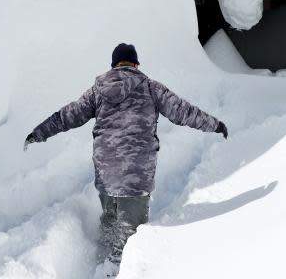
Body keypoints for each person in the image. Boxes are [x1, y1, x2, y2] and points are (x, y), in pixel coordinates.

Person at [24, 43, 228, 269]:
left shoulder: (97, 91)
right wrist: (215, 124)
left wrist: (39, 132)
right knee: (131, 236)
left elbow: (66, 116)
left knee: (110, 222)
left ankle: (100, 264)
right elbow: (184, 111)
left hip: (106, 172)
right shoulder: (151, 87)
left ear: (113, 66)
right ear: (136, 64)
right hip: (136, 174)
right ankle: (117, 271)